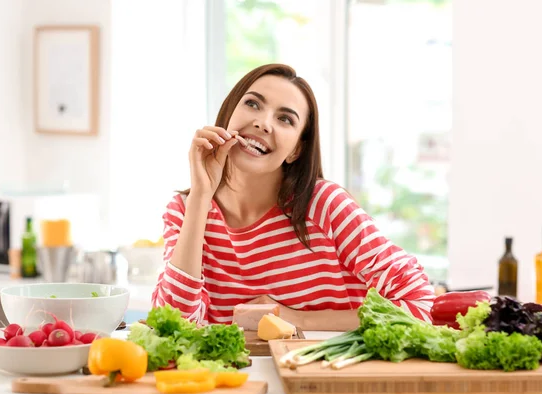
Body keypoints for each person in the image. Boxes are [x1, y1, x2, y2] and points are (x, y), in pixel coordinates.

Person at [151, 64, 435, 331]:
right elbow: (174, 327)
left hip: (322, 376)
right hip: (233, 382)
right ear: (227, 117)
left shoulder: (324, 205)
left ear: (295, 150)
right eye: (252, 104)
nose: (263, 123)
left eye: (285, 119)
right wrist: (201, 195)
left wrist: (295, 318)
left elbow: (419, 303)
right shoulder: (184, 211)